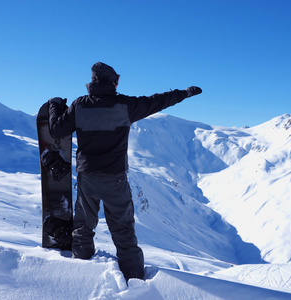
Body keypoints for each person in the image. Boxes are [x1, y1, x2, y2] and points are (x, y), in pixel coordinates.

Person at [48, 62, 202, 281]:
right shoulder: (125, 105)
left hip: (88, 176)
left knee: (83, 228)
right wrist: (184, 93)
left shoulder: (80, 105)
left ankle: (80, 277)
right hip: (114, 178)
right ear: (113, 81)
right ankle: (134, 282)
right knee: (123, 232)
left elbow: (56, 129)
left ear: (93, 81)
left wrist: (55, 105)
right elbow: (157, 101)